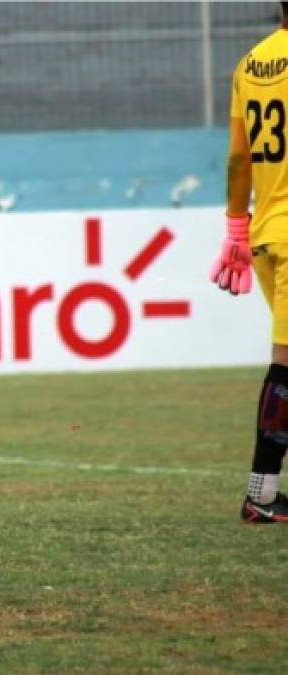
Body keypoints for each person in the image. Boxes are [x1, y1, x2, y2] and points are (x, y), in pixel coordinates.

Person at [213, 2, 288, 522]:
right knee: (287, 366)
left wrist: (236, 230)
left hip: (266, 234)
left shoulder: (249, 64)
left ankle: (262, 494)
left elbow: (240, 158)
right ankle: (261, 495)